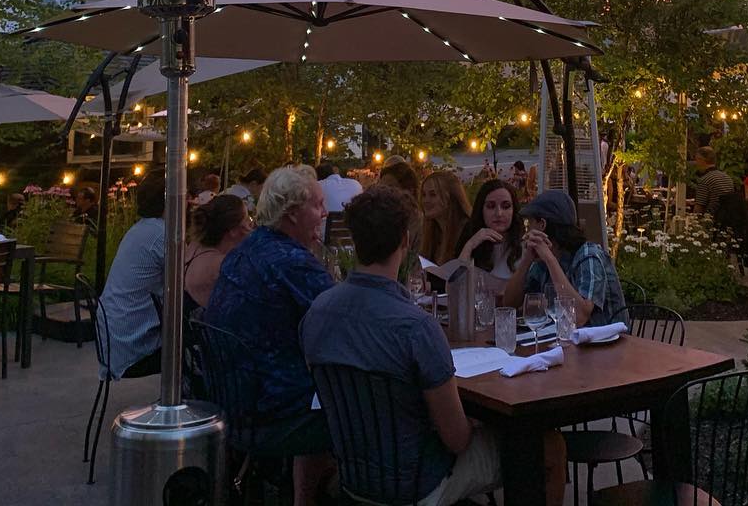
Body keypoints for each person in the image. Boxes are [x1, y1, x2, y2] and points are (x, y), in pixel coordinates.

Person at [302, 185, 567, 506]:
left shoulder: (317, 313)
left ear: (356, 241)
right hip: (418, 482)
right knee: (547, 446)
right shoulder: (415, 327)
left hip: (355, 475)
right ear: (404, 241)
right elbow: (457, 441)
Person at [205, 165, 334, 506]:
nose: (325, 213)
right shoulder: (291, 262)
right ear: (292, 215)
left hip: (234, 401)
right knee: (366, 404)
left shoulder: (247, 250)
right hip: (273, 413)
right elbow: (348, 321)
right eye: (318, 205)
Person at [502, 190, 628, 328]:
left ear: (542, 225)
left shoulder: (589, 256)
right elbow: (509, 305)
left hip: (606, 345)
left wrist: (550, 260)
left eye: (530, 224)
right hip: (567, 342)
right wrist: (526, 261)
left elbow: (579, 317)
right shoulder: (541, 262)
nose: (527, 232)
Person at [97, 170, 165, 379]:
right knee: (205, 345)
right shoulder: (163, 234)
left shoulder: (140, 230)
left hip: (111, 342)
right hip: (133, 348)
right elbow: (189, 279)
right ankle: (190, 405)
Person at [454, 179, 523, 294]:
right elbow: (453, 289)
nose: (499, 213)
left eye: (506, 206)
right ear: (481, 210)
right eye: (491, 206)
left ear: (514, 210)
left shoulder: (524, 247)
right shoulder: (473, 242)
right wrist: (470, 245)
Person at [184, 193, 252, 308]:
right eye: (247, 219)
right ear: (233, 230)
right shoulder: (222, 266)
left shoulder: (196, 245)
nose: (251, 225)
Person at [418, 170, 471, 264]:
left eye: (433, 194)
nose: (426, 200)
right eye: (423, 195)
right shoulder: (432, 232)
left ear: (450, 197)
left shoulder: (467, 231)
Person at [691, 146, 736, 218]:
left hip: (710, 220)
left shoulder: (705, 180)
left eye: (696, 160)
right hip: (727, 219)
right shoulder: (727, 178)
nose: (696, 163)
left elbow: (698, 210)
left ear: (701, 159)